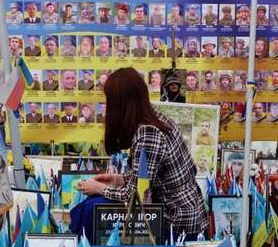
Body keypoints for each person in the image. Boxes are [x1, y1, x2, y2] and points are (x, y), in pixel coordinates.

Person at [77, 68, 208, 236]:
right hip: (185, 210)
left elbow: (136, 195)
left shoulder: (148, 134)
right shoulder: (156, 118)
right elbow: (150, 178)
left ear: (120, 103)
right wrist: (117, 179)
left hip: (177, 222)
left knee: (91, 209)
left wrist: (99, 188)